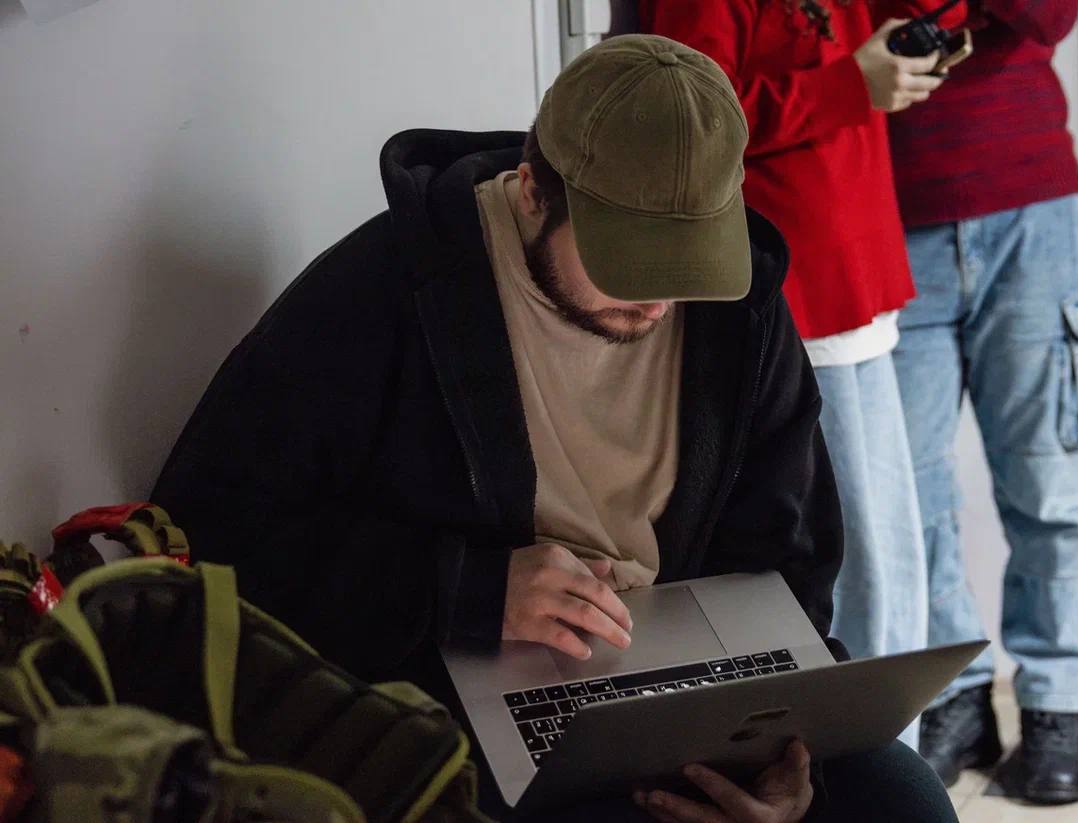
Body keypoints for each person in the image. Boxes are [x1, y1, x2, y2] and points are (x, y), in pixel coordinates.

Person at [153, 33, 957, 823]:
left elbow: (790, 557)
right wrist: (467, 589)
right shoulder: (383, 291)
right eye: (628, 265)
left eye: (689, 265)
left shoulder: (739, 310)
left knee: (905, 803)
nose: (659, 303)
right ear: (533, 191)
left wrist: (780, 746)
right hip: (460, 681)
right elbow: (211, 533)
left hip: (696, 683)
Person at [640, 0, 945, 749]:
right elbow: (687, 120)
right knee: (849, 562)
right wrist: (846, 87)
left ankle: (890, 760)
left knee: (893, 554)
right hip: (795, 284)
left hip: (859, 273)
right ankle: (860, 767)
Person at [887, 0, 1078, 804]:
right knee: (909, 493)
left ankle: (1056, 700)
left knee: (1048, 480)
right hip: (888, 215)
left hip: (1029, 204)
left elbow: (1052, 15)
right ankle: (958, 695)